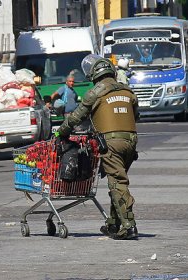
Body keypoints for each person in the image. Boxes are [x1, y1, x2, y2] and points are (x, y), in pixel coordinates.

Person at [55, 54, 139, 240]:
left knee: (117, 182)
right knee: (116, 180)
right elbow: (136, 116)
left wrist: (61, 132)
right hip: (130, 143)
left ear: (93, 74)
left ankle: (129, 226)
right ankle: (113, 223)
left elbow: (76, 117)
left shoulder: (95, 92)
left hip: (111, 144)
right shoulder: (127, 91)